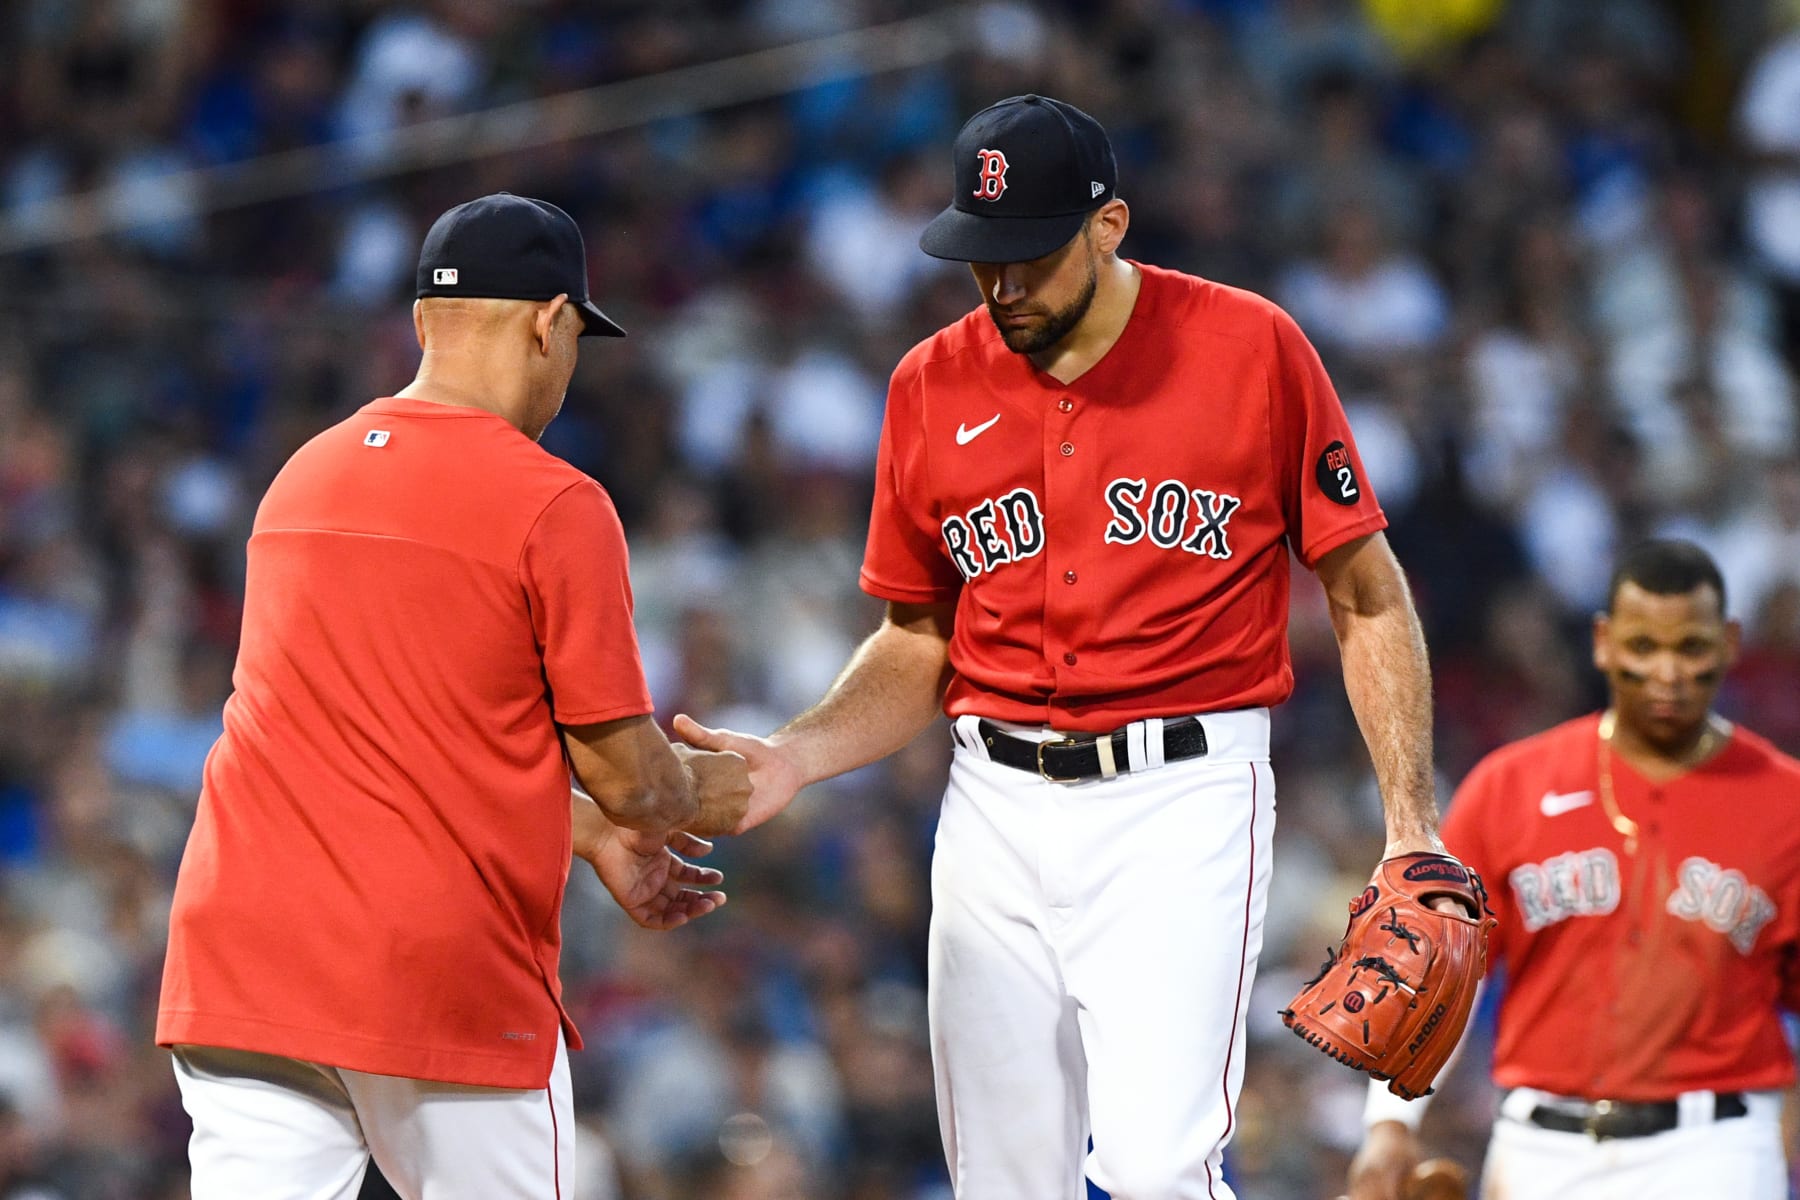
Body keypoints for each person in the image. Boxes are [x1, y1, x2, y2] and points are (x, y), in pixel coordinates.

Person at [676, 95, 1450, 1198]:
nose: (1004, 286)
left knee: (1153, 1170)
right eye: (981, 258)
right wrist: (799, 755)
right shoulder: (929, 383)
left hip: (1181, 801)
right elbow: (917, 637)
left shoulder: (1251, 348)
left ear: (1109, 225)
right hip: (991, 804)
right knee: (1001, 1180)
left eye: (1030, 256)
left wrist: (1410, 823)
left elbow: (1367, 590)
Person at [156, 193, 749, 1199]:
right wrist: (709, 789)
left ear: (427, 320)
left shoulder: (302, 477)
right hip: (437, 985)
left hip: (246, 970)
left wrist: (584, 834)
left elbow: (382, 753)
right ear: (548, 322)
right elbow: (637, 785)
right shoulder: (554, 502)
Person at [1347, 538, 1800, 1200]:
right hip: (1540, 1151)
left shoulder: (1784, 801)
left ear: (1729, 643)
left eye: (1691, 648)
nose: (1668, 671)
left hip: (1717, 1149)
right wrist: (1390, 1125)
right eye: (1644, 646)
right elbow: (1437, 968)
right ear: (1604, 642)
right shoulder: (1512, 785)